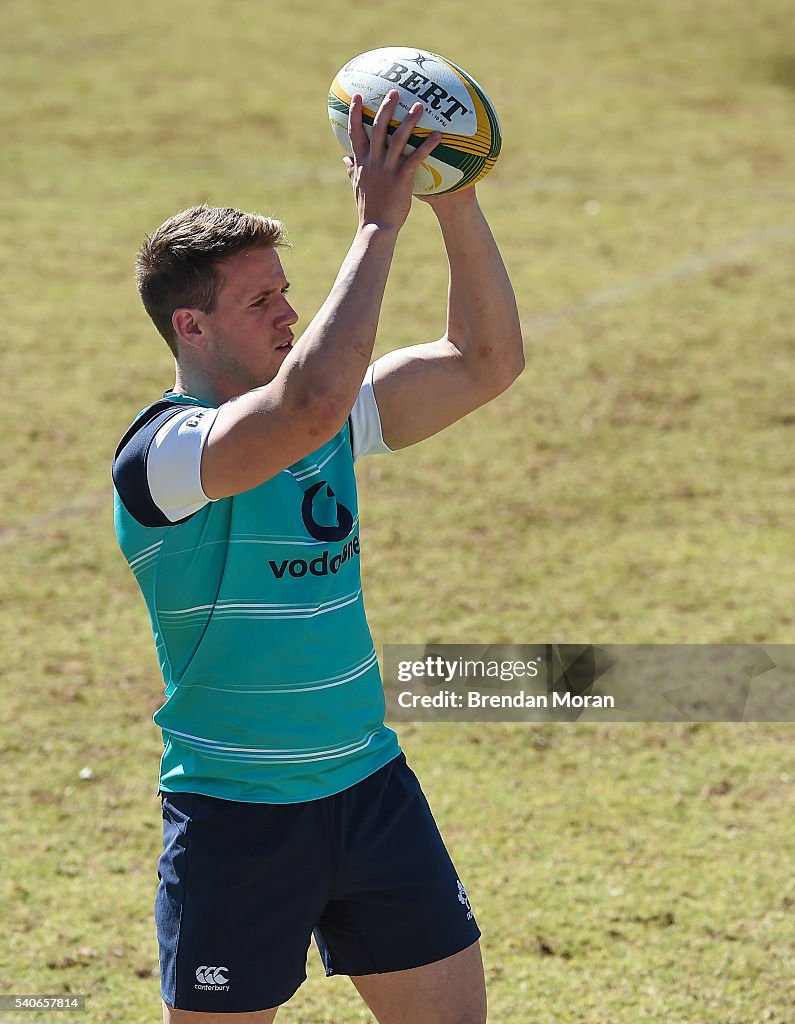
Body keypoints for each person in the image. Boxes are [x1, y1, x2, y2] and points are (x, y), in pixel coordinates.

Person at [113, 90, 524, 1024]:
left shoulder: (333, 417)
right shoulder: (165, 456)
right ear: (191, 327)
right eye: (260, 300)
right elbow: (300, 407)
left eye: (285, 292)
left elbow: (485, 359)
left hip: (371, 791)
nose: (288, 312)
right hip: (238, 821)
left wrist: (449, 196)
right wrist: (377, 223)